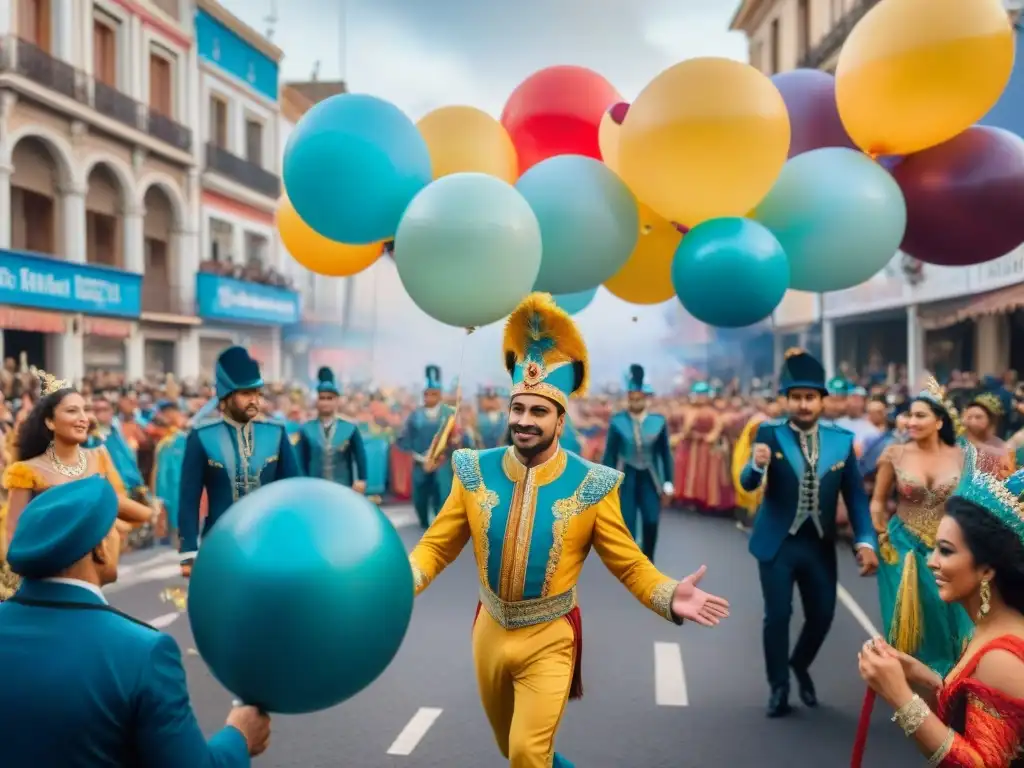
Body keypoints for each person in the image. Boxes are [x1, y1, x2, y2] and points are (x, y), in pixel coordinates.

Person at [408, 293, 731, 768]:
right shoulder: (473, 471)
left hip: (550, 636)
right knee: (510, 748)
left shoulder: (593, 485)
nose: (523, 420)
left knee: (525, 753)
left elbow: (630, 565)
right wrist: (403, 579)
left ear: (561, 420)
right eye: (519, 409)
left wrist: (667, 594)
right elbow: (435, 547)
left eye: (538, 412)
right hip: (489, 631)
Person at [0, 475, 270, 766]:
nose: (121, 535)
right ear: (99, 550)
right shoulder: (143, 653)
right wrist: (239, 737)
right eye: (114, 528)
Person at [739, 348, 879, 718]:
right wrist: (756, 465)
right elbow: (749, 483)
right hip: (777, 543)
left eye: (810, 398)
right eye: (796, 398)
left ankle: (799, 663)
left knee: (823, 615)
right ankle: (779, 686)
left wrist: (865, 540)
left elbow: (856, 498)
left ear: (821, 401)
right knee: (778, 615)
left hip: (819, 544)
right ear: (786, 400)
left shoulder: (843, 440)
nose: (803, 405)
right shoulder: (768, 432)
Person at [858, 470, 1024, 767]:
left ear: (986, 570)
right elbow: (972, 703)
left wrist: (899, 696)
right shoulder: (988, 627)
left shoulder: (1002, 656)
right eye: (934, 547)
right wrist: (927, 677)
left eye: (945, 551)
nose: (931, 561)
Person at [1, 370, 156, 601]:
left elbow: (120, 506)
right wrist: (17, 587)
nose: (84, 417)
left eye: (85, 409)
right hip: (47, 577)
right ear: (50, 421)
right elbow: (13, 533)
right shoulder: (27, 471)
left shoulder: (100, 457)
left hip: (91, 574)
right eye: (72, 411)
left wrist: (152, 513)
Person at [869, 379, 982, 677]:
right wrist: (880, 536)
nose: (911, 422)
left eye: (920, 415)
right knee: (915, 620)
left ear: (939, 420)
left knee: (954, 613)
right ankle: (920, 683)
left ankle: (956, 679)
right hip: (902, 549)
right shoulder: (895, 454)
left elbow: (972, 502)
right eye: (909, 415)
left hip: (950, 544)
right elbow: (878, 502)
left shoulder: (963, 455)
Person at [178, 347, 300, 576]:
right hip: (220, 545)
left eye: (257, 393)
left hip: (269, 545)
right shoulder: (202, 436)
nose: (254, 400)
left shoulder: (276, 433)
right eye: (246, 394)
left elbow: (293, 493)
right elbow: (188, 498)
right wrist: (188, 550)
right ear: (225, 397)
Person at [601, 364, 674, 561]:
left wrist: (668, 483)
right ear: (628, 399)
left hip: (651, 477)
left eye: (639, 399)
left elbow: (665, 455)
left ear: (645, 399)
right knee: (628, 524)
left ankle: (648, 559)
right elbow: (610, 455)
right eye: (631, 399)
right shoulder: (618, 422)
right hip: (627, 477)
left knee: (651, 520)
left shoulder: (658, 421)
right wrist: (604, 485)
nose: (635, 402)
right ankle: (634, 563)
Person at [396, 365, 456, 529]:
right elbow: (404, 438)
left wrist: (448, 452)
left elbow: (457, 438)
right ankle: (423, 521)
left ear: (440, 394)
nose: (429, 397)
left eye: (433, 394)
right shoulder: (415, 415)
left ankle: (440, 524)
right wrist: (417, 455)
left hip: (442, 461)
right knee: (420, 496)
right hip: (420, 461)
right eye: (427, 394)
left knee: (442, 492)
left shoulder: (449, 414)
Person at [294, 367, 367, 491]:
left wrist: (361, 479)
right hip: (314, 488)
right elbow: (300, 459)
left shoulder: (349, 428)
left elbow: (360, 455)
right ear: (317, 401)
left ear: (336, 401)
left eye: (330, 398)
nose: (325, 402)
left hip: (342, 486)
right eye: (322, 398)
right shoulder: (306, 429)